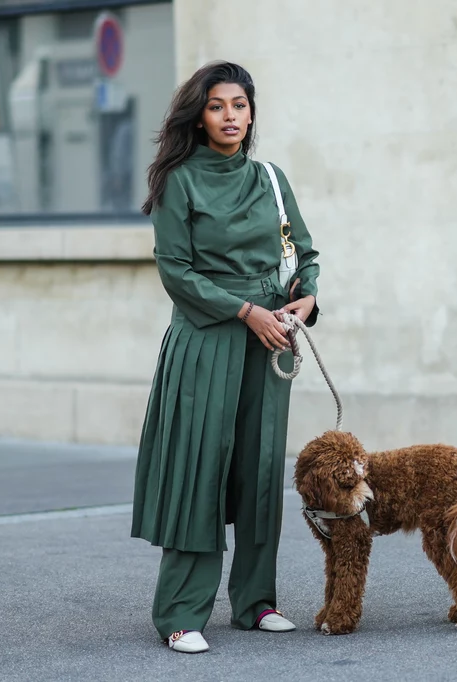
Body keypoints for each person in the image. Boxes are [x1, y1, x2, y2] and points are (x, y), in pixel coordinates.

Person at [130, 61, 320, 654]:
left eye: (240, 105)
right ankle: (181, 614)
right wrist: (245, 311)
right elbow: (176, 273)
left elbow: (304, 253)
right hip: (208, 337)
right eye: (217, 106)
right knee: (200, 468)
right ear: (199, 113)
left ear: (251, 112)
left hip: (271, 337)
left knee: (261, 468)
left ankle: (256, 602)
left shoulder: (269, 176)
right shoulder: (179, 180)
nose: (230, 116)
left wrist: (305, 300)